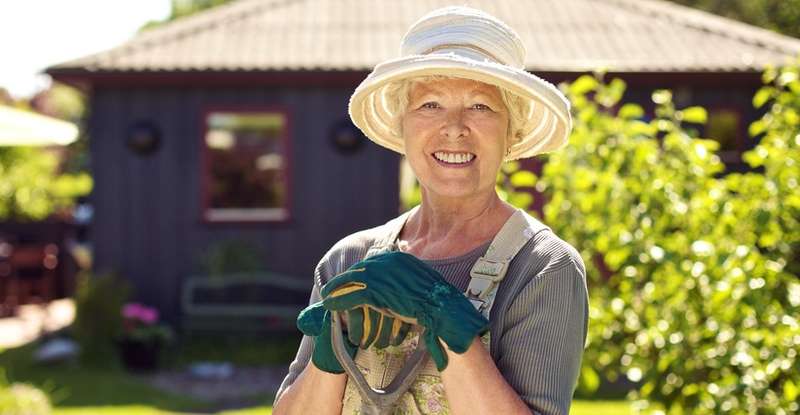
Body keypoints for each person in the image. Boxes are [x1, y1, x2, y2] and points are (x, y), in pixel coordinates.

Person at [273, 6, 588, 415]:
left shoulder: (543, 268)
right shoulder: (348, 261)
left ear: (511, 133)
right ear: (403, 128)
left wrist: (449, 324)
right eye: (430, 105)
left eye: (480, 107)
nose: (454, 127)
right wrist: (330, 354)